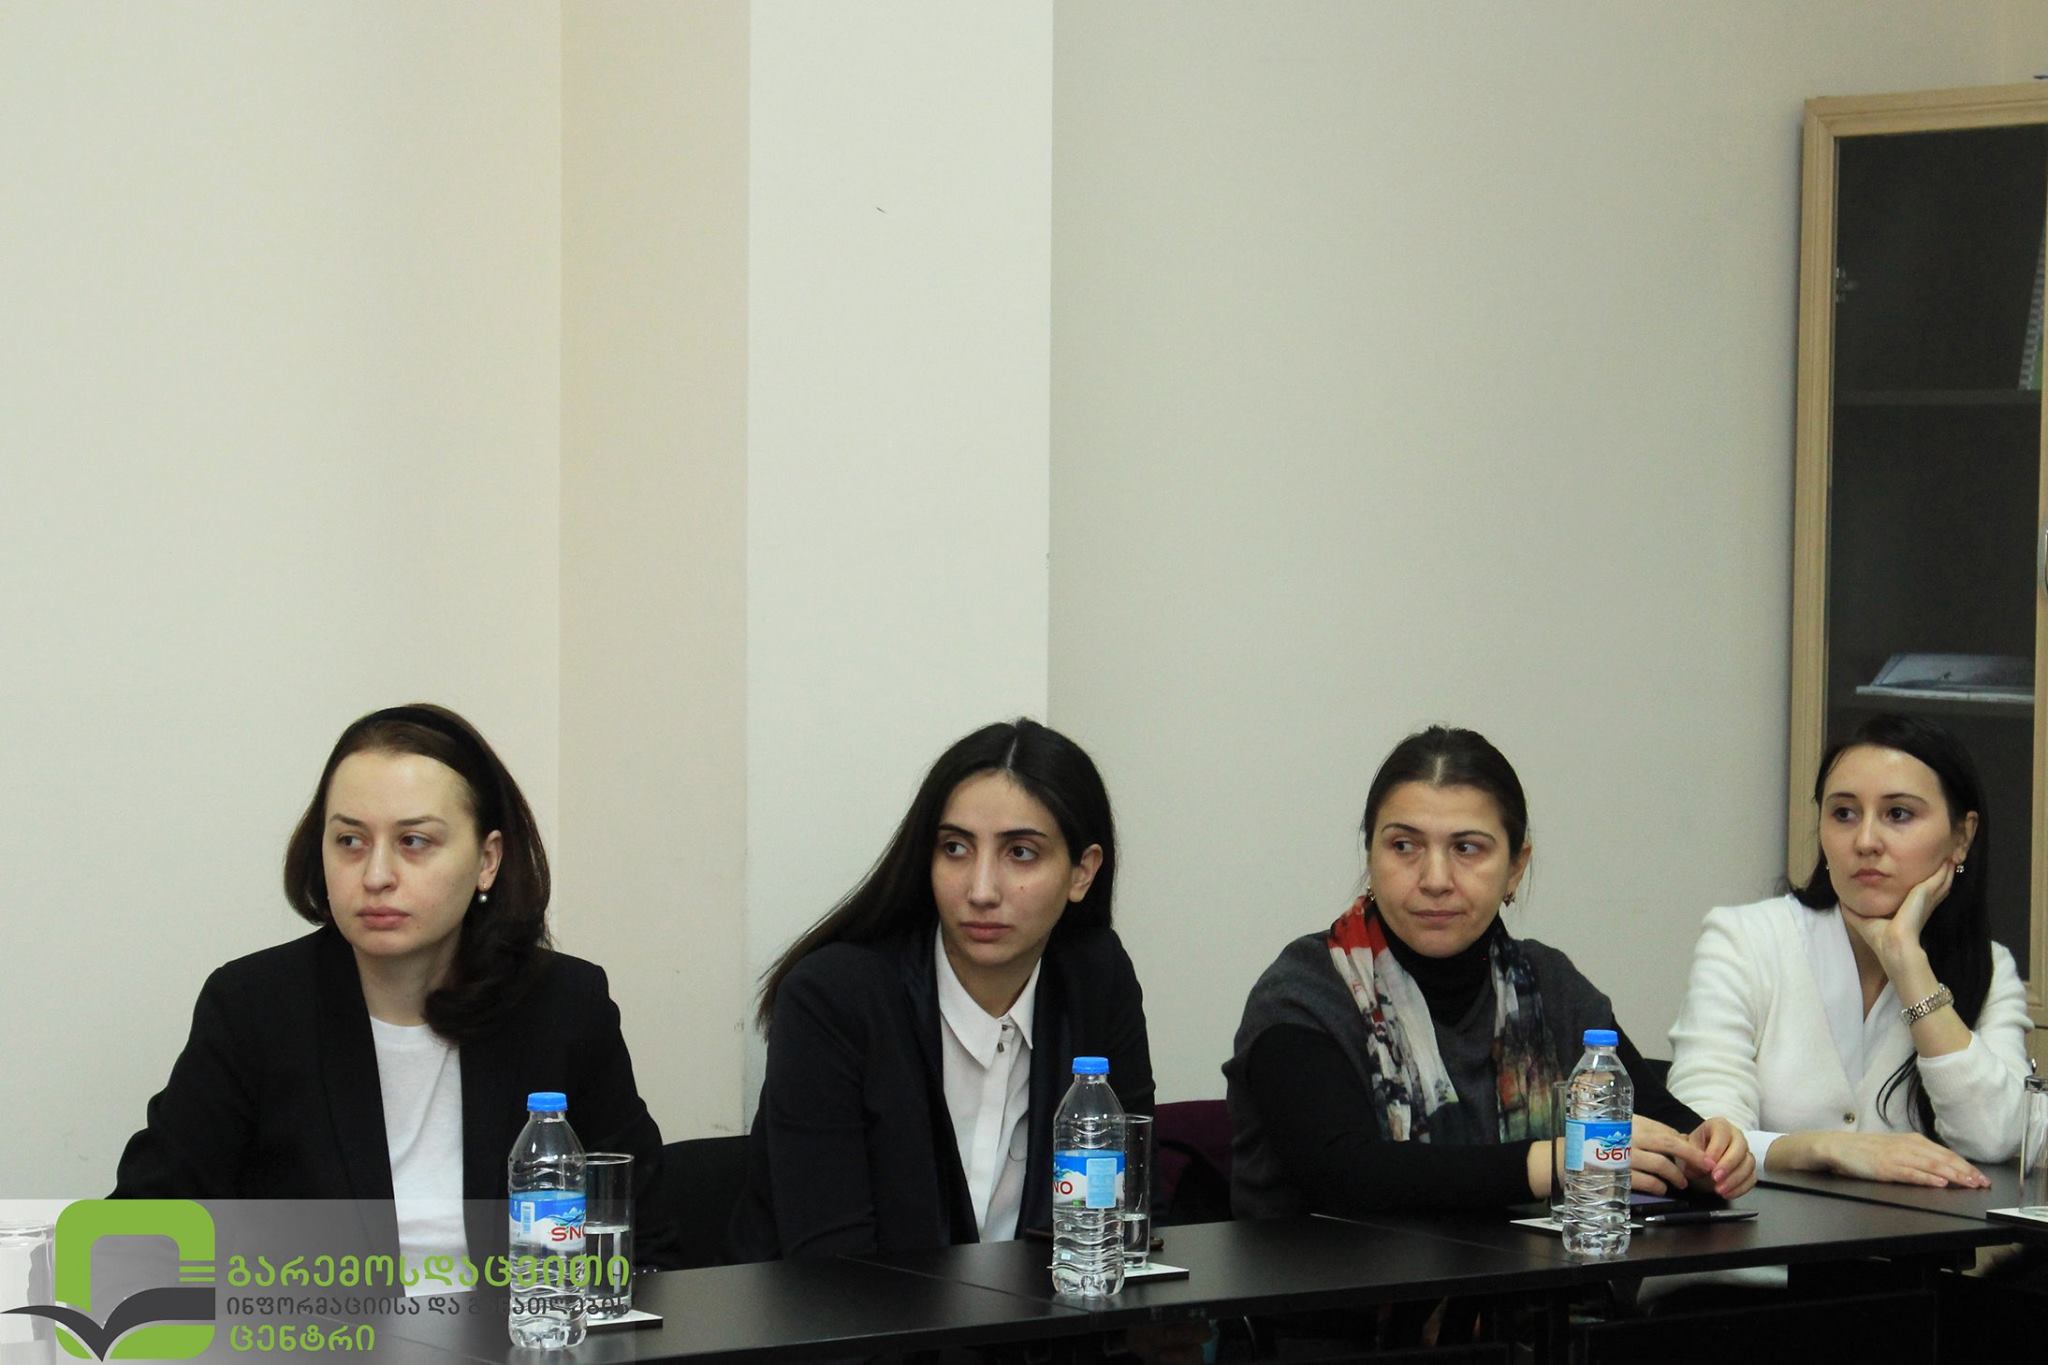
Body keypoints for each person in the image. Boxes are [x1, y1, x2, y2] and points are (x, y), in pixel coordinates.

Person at [115, 703, 674, 1272]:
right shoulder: (254, 1008)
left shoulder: (564, 1005)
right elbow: (142, 1231)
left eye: (414, 841)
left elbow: (644, 1241)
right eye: (350, 841)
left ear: (487, 860)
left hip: (523, 1325)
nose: (376, 876)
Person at [1226, 725, 1755, 1221]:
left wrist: (1708, 1154)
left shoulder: (1550, 985)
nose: (1435, 879)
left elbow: (1663, 1127)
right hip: (1333, 1288)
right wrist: (1552, 1163)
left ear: (1515, 867)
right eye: (1404, 846)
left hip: (1531, 1285)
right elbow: (1342, 1173)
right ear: (1371, 855)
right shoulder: (1307, 990)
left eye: (1467, 848)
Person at [731, 718, 1153, 1262]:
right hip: (847, 1313)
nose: (981, 890)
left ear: (1082, 873)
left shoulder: (1095, 977)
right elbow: (832, 1270)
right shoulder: (834, 998)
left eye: (1021, 853)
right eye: (955, 848)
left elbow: (1130, 1216)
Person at [1668, 712, 2032, 1186]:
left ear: (1961, 837)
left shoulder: (1990, 967)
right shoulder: (1746, 939)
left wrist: (1908, 964)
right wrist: (1825, 1148)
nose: (1865, 841)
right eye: (1844, 814)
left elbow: (1999, 1135)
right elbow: (1703, 1140)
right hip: (1761, 1235)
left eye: (1898, 814)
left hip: (1915, 1236)